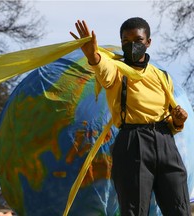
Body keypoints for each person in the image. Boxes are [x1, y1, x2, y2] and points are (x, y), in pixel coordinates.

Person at [70, 17, 191, 215]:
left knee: (179, 207)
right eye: (126, 42)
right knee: (134, 209)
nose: (132, 45)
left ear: (148, 42)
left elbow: (170, 120)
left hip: (165, 143)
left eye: (138, 40)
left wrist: (177, 121)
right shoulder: (116, 70)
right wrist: (93, 56)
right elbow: (103, 70)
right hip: (133, 142)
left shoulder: (162, 76)